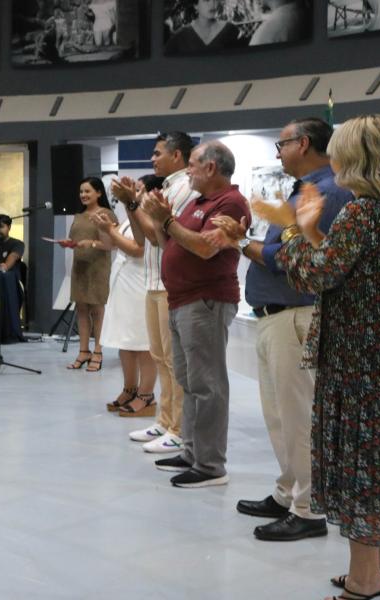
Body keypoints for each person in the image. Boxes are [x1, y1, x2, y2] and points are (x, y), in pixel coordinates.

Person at [242, 114, 380, 600]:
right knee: (378, 467)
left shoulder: (362, 213)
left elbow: (315, 274)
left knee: (363, 472)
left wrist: (292, 229)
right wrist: (312, 231)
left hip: (364, 370)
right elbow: (342, 266)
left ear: (356, 158)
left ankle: (365, 581)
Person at [202, 118, 353, 542]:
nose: (278, 153)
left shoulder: (327, 192)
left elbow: (293, 256)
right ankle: (288, 491)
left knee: (299, 417)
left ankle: (308, 508)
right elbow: (285, 248)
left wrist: (242, 243)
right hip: (278, 315)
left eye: (281, 144)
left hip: (296, 313)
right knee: (280, 416)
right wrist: (247, 241)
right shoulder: (305, 190)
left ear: (303, 144)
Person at [141, 140, 250, 488]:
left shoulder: (230, 202)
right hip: (181, 300)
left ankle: (210, 465)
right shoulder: (198, 202)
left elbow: (205, 248)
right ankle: (191, 451)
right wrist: (160, 220)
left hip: (205, 301)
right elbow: (168, 244)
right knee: (189, 382)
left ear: (211, 167)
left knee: (208, 385)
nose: (187, 170)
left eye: (192, 164)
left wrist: (168, 221)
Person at [110, 131, 198, 453]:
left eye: (158, 153)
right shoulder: (167, 188)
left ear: (177, 155)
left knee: (174, 362)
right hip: (153, 281)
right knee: (160, 357)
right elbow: (143, 236)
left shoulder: (185, 187)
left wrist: (133, 202)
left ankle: (178, 427)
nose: (152, 159)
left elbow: (157, 235)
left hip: (167, 283)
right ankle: (165, 420)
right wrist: (131, 204)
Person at [95, 175, 159, 417]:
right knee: (126, 341)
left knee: (142, 343)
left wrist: (109, 230)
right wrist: (108, 230)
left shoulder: (151, 217)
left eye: (139, 189)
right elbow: (119, 243)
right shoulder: (132, 215)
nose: (135, 193)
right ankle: (129, 388)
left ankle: (146, 394)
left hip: (140, 283)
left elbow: (137, 249)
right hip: (124, 283)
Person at [57, 177, 115, 373]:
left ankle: (98, 351)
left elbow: (111, 244)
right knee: (81, 309)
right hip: (79, 267)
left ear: (99, 193)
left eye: (88, 191)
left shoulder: (106, 214)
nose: (83, 195)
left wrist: (91, 243)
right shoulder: (78, 216)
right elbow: (75, 239)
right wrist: (68, 242)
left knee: (97, 311)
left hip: (98, 268)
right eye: (81, 191)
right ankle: (83, 352)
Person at [164, 0, 242, 54]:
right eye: (206, 0)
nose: (212, 4)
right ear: (196, 5)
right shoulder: (180, 36)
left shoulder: (230, 30)